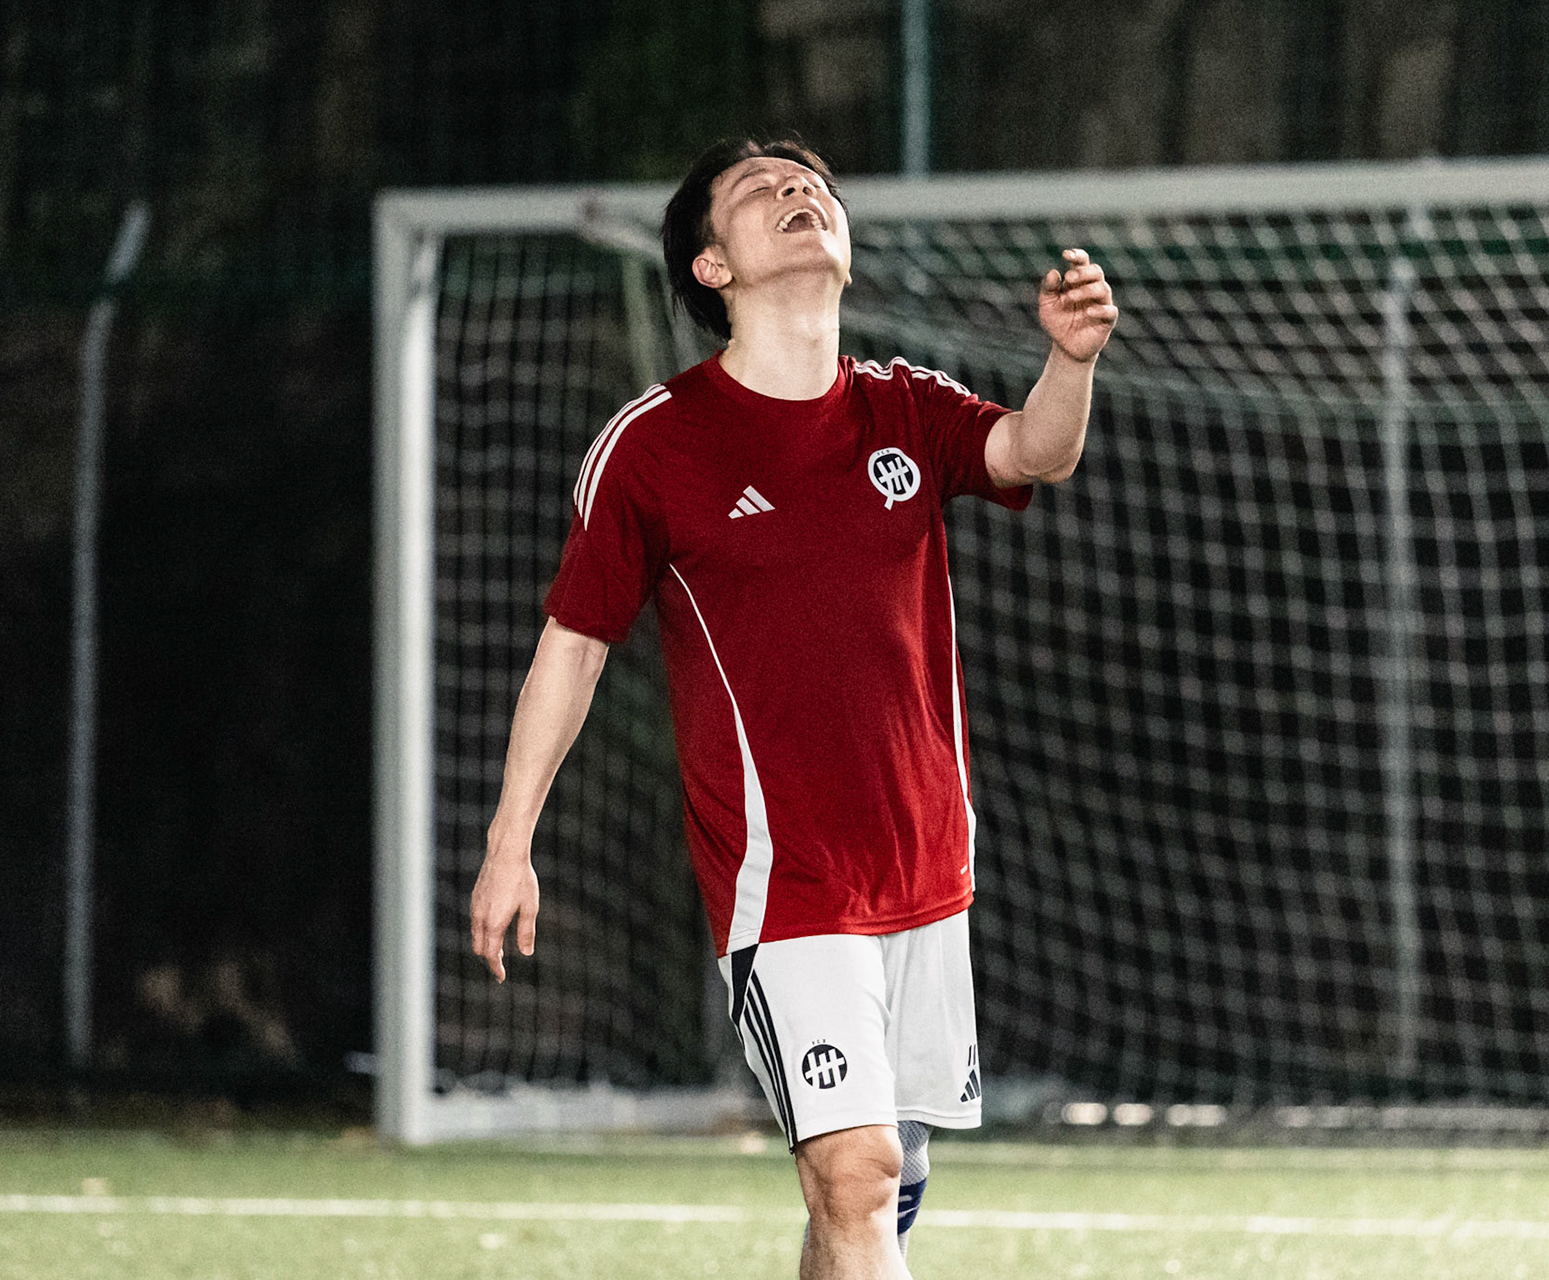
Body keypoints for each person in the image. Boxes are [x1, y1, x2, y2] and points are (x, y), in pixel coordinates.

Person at [469, 136, 1116, 1279]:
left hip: (927, 866)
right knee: (858, 1170)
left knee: (875, 1187)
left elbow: (1034, 450)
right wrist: (509, 840)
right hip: (786, 885)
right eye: (762, 192)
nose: (799, 194)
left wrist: (1070, 363)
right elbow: (571, 650)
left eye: (813, 186)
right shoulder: (653, 446)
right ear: (712, 268)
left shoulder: (902, 405)